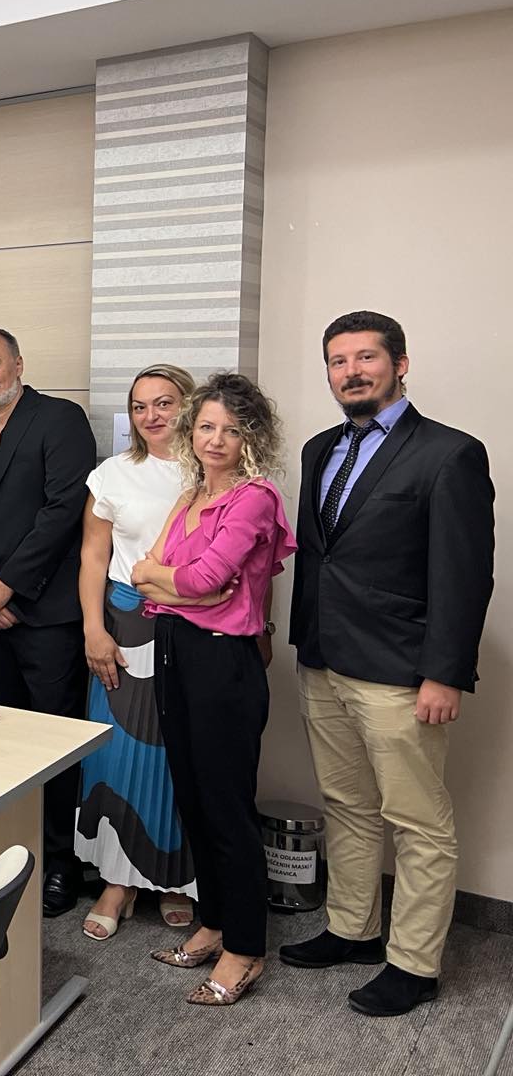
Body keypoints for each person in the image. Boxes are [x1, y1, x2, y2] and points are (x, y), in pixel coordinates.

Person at [281, 311, 494, 1017]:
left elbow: (464, 575)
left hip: (402, 671)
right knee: (346, 804)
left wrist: (445, 672)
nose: (352, 372)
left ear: (400, 364)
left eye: (366, 357)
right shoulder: (319, 449)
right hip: (324, 660)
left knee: (418, 820)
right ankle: (354, 929)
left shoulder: (449, 454)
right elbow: (323, 557)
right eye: (338, 361)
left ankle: (414, 964)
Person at [133, 372, 294, 1007]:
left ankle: (246, 947)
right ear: (191, 430)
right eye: (206, 426)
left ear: (252, 436)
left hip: (224, 661)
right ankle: (214, 922)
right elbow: (148, 575)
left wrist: (175, 583)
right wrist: (179, 587)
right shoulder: (192, 492)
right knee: (193, 801)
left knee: (227, 807)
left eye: (232, 429)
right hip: (175, 650)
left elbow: (205, 579)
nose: (216, 439)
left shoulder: (254, 498)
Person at [0, 327, 96, 918]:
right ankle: (12, 859)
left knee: (52, 743)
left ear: (18, 363)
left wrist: (9, 583)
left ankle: (60, 862)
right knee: (5, 741)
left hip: (48, 611)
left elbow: (63, 511)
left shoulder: (59, 419)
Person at [74, 365, 198, 941]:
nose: (151, 415)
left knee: (181, 754)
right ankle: (117, 882)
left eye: (164, 402)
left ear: (188, 405)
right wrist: (92, 629)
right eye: (140, 405)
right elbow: (93, 558)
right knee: (118, 754)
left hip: (194, 625)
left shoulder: (213, 470)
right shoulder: (112, 474)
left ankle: (176, 878)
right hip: (122, 625)